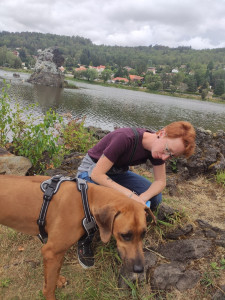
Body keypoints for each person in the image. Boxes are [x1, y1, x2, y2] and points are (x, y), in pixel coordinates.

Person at [76, 121, 196, 268]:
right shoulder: (125, 138)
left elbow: (160, 182)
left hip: (117, 172)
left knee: (155, 197)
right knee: (108, 201)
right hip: (91, 171)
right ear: (162, 133)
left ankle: (128, 228)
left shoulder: (158, 149)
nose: (165, 157)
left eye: (171, 156)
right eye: (167, 150)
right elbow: (97, 174)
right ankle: (85, 237)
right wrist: (130, 196)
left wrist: (142, 198)